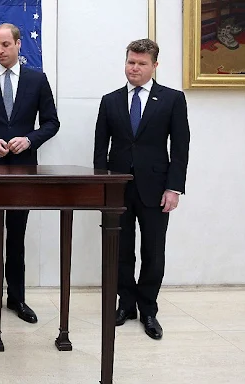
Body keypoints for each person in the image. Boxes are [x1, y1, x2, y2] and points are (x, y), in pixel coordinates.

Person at [0, 23, 60, 324]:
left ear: (18, 45)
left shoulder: (37, 80)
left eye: (5, 45)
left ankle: (17, 298)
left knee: (17, 237)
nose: (0, 51)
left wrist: (29, 139)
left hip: (23, 171)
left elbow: (51, 123)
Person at [93, 39, 190, 340]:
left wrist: (174, 188)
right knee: (120, 251)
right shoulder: (110, 100)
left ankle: (148, 308)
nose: (134, 68)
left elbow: (181, 147)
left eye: (141, 63)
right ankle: (126, 304)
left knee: (152, 251)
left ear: (154, 66)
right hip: (118, 188)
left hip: (156, 188)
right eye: (130, 62)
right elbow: (100, 149)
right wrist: (102, 186)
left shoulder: (172, 99)